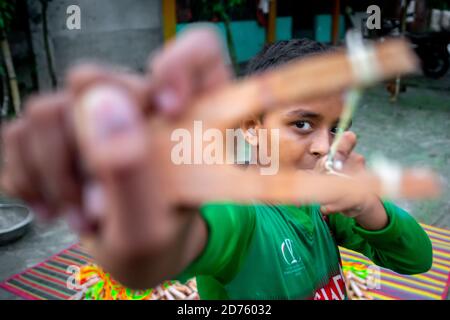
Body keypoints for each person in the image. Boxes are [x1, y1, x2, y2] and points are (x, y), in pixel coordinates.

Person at [0, 26, 432, 300]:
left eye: (336, 128)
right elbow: (192, 234)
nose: (324, 146)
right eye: (302, 124)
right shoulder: (238, 210)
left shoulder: (326, 205)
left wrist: (368, 209)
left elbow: (417, 259)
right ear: (249, 128)